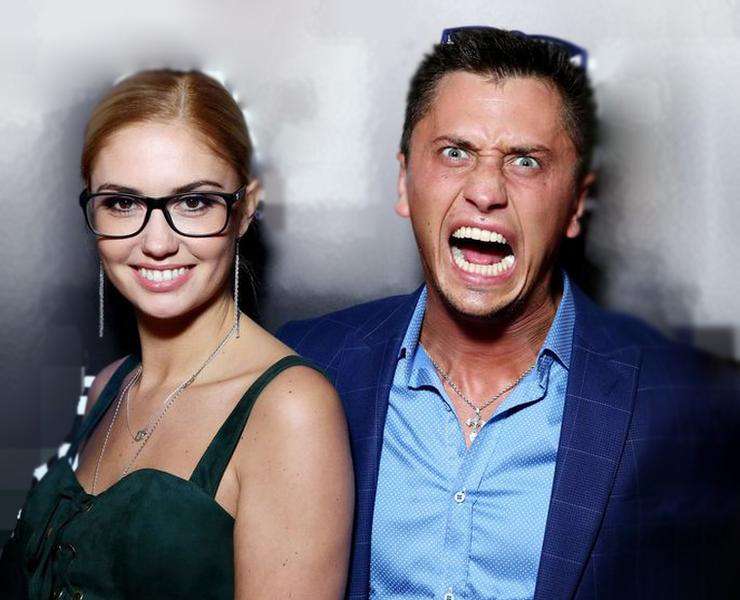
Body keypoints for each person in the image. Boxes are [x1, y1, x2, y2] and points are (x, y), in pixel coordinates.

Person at [277, 27, 740, 599]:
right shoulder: (307, 365)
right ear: (403, 180)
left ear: (576, 203)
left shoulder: (682, 405)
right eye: (455, 152)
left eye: (525, 161)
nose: (485, 190)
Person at [0, 69, 353, 599]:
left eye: (194, 202)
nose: (157, 243)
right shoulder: (110, 387)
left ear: (245, 210)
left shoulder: (290, 408)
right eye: (123, 203)